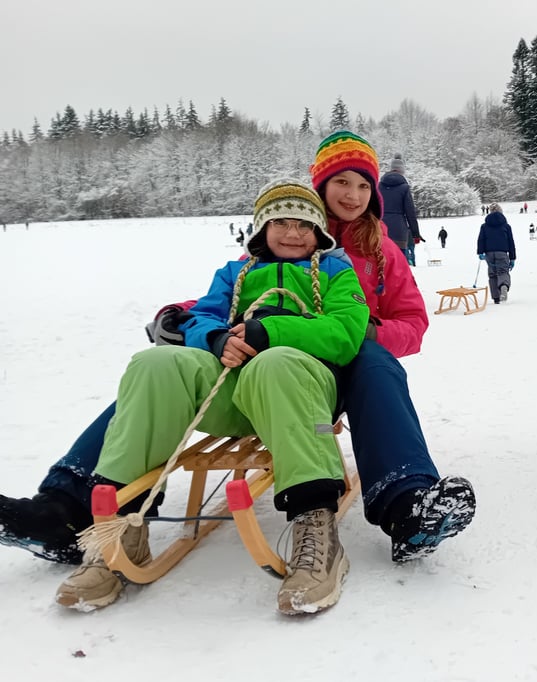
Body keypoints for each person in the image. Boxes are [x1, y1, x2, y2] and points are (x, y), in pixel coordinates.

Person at [1, 131, 476, 578]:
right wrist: (186, 317)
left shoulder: (381, 251)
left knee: (377, 367)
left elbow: (413, 323)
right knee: (161, 375)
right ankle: (66, 505)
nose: (352, 196)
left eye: (361, 186)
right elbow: (236, 297)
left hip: (344, 355)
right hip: (263, 357)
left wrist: (365, 332)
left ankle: (406, 501)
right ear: (318, 187)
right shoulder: (281, 230)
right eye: (341, 183)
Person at [53, 178, 370, 613]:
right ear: (261, 229)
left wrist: (272, 330)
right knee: (155, 364)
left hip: (297, 390)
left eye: (304, 224)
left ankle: (317, 531)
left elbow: (347, 332)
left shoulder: (336, 270)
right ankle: (123, 529)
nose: (293, 233)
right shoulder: (234, 272)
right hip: (231, 392)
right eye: (281, 222)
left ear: (320, 231)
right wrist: (218, 338)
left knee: (275, 362)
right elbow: (200, 316)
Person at [378, 153, 421, 266]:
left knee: (381, 264)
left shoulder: (378, 186)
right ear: (402, 171)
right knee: (399, 265)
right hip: (399, 232)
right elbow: (410, 213)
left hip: (379, 230)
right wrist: (415, 234)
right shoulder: (404, 188)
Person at [476, 203, 516, 304]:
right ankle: (503, 286)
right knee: (503, 271)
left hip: (489, 254)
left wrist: (480, 252)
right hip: (502, 252)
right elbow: (511, 242)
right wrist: (512, 258)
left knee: (492, 274)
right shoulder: (506, 226)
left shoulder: (484, 226)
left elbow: (481, 239)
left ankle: (496, 297)